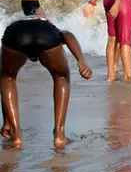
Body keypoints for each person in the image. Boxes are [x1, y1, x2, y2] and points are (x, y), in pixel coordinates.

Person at [1, 16, 92, 147]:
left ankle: (16, 136)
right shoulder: (48, 26)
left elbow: (4, 85)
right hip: (45, 35)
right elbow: (68, 35)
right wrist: (82, 63)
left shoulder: (16, 23)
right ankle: (59, 135)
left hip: (16, 34)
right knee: (61, 76)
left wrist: (6, 122)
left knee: (7, 77)